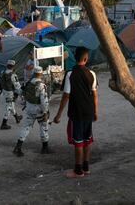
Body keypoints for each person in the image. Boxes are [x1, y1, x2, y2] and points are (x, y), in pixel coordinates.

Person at [53, 46, 98, 178]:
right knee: (87, 140)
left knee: (78, 141)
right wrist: (95, 112)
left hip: (76, 113)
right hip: (88, 112)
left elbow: (66, 95)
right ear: (86, 58)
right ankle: (86, 166)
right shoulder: (92, 74)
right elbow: (95, 95)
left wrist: (58, 114)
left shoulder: (70, 75)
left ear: (75, 57)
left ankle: (78, 171)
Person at [13, 66, 52, 157]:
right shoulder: (41, 85)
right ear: (41, 73)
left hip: (29, 108)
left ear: (34, 73)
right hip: (39, 110)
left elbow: (22, 93)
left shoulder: (28, 83)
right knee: (44, 127)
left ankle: (18, 147)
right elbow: (44, 101)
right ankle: (44, 148)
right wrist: (45, 112)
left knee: (26, 127)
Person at [0, 60, 23, 130]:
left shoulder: (2, 72)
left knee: (11, 105)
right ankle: (4, 123)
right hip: (10, 93)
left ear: (7, 65)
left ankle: (16, 117)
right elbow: (17, 86)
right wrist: (22, 93)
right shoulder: (13, 75)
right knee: (8, 108)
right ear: (13, 66)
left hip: (4, 91)